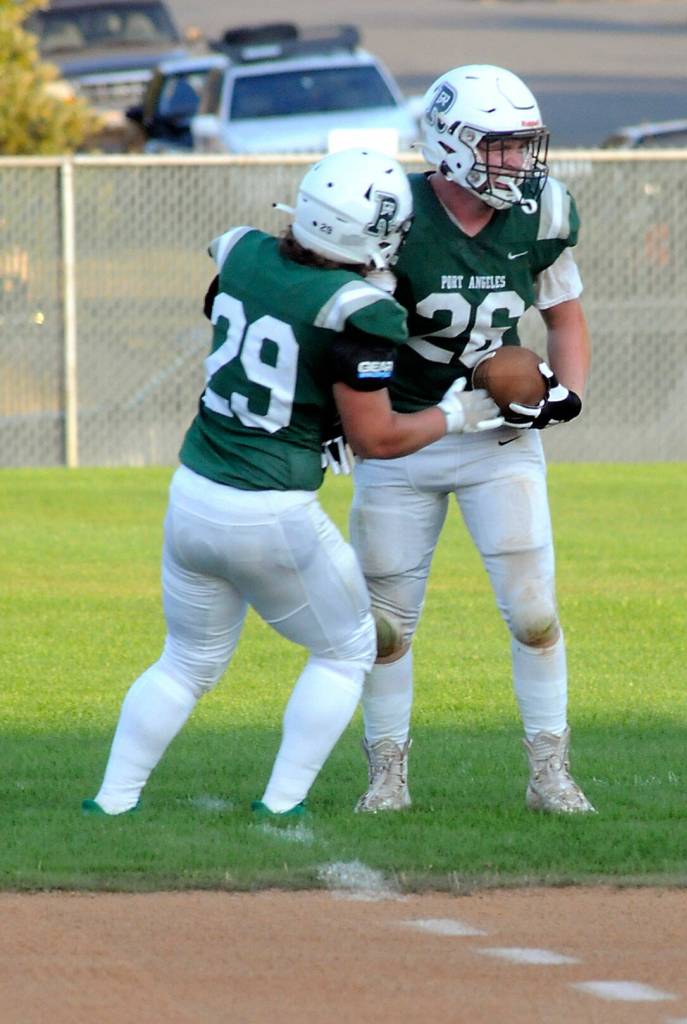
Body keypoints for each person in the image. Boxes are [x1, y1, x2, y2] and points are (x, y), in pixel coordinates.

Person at [82, 147, 503, 820]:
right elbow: (377, 439)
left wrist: (312, 410)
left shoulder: (242, 253)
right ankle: (282, 806)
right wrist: (458, 414)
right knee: (349, 650)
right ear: (373, 232)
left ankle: (111, 802)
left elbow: (242, 321)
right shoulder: (360, 309)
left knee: (186, 661)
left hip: (193, 494)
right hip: (271, 510)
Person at [350, 66, 596, 815]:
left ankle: (550, 773)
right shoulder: (393, 214)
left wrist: (567, 393)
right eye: (498, 146)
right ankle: (386, 774)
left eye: (522, 146)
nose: (516, 162)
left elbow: (564, 316)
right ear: (449, 144)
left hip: (496, 435)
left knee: (534, 613)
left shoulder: (540, 213)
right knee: (386, 625)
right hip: (402, 434)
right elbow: (346, 330)